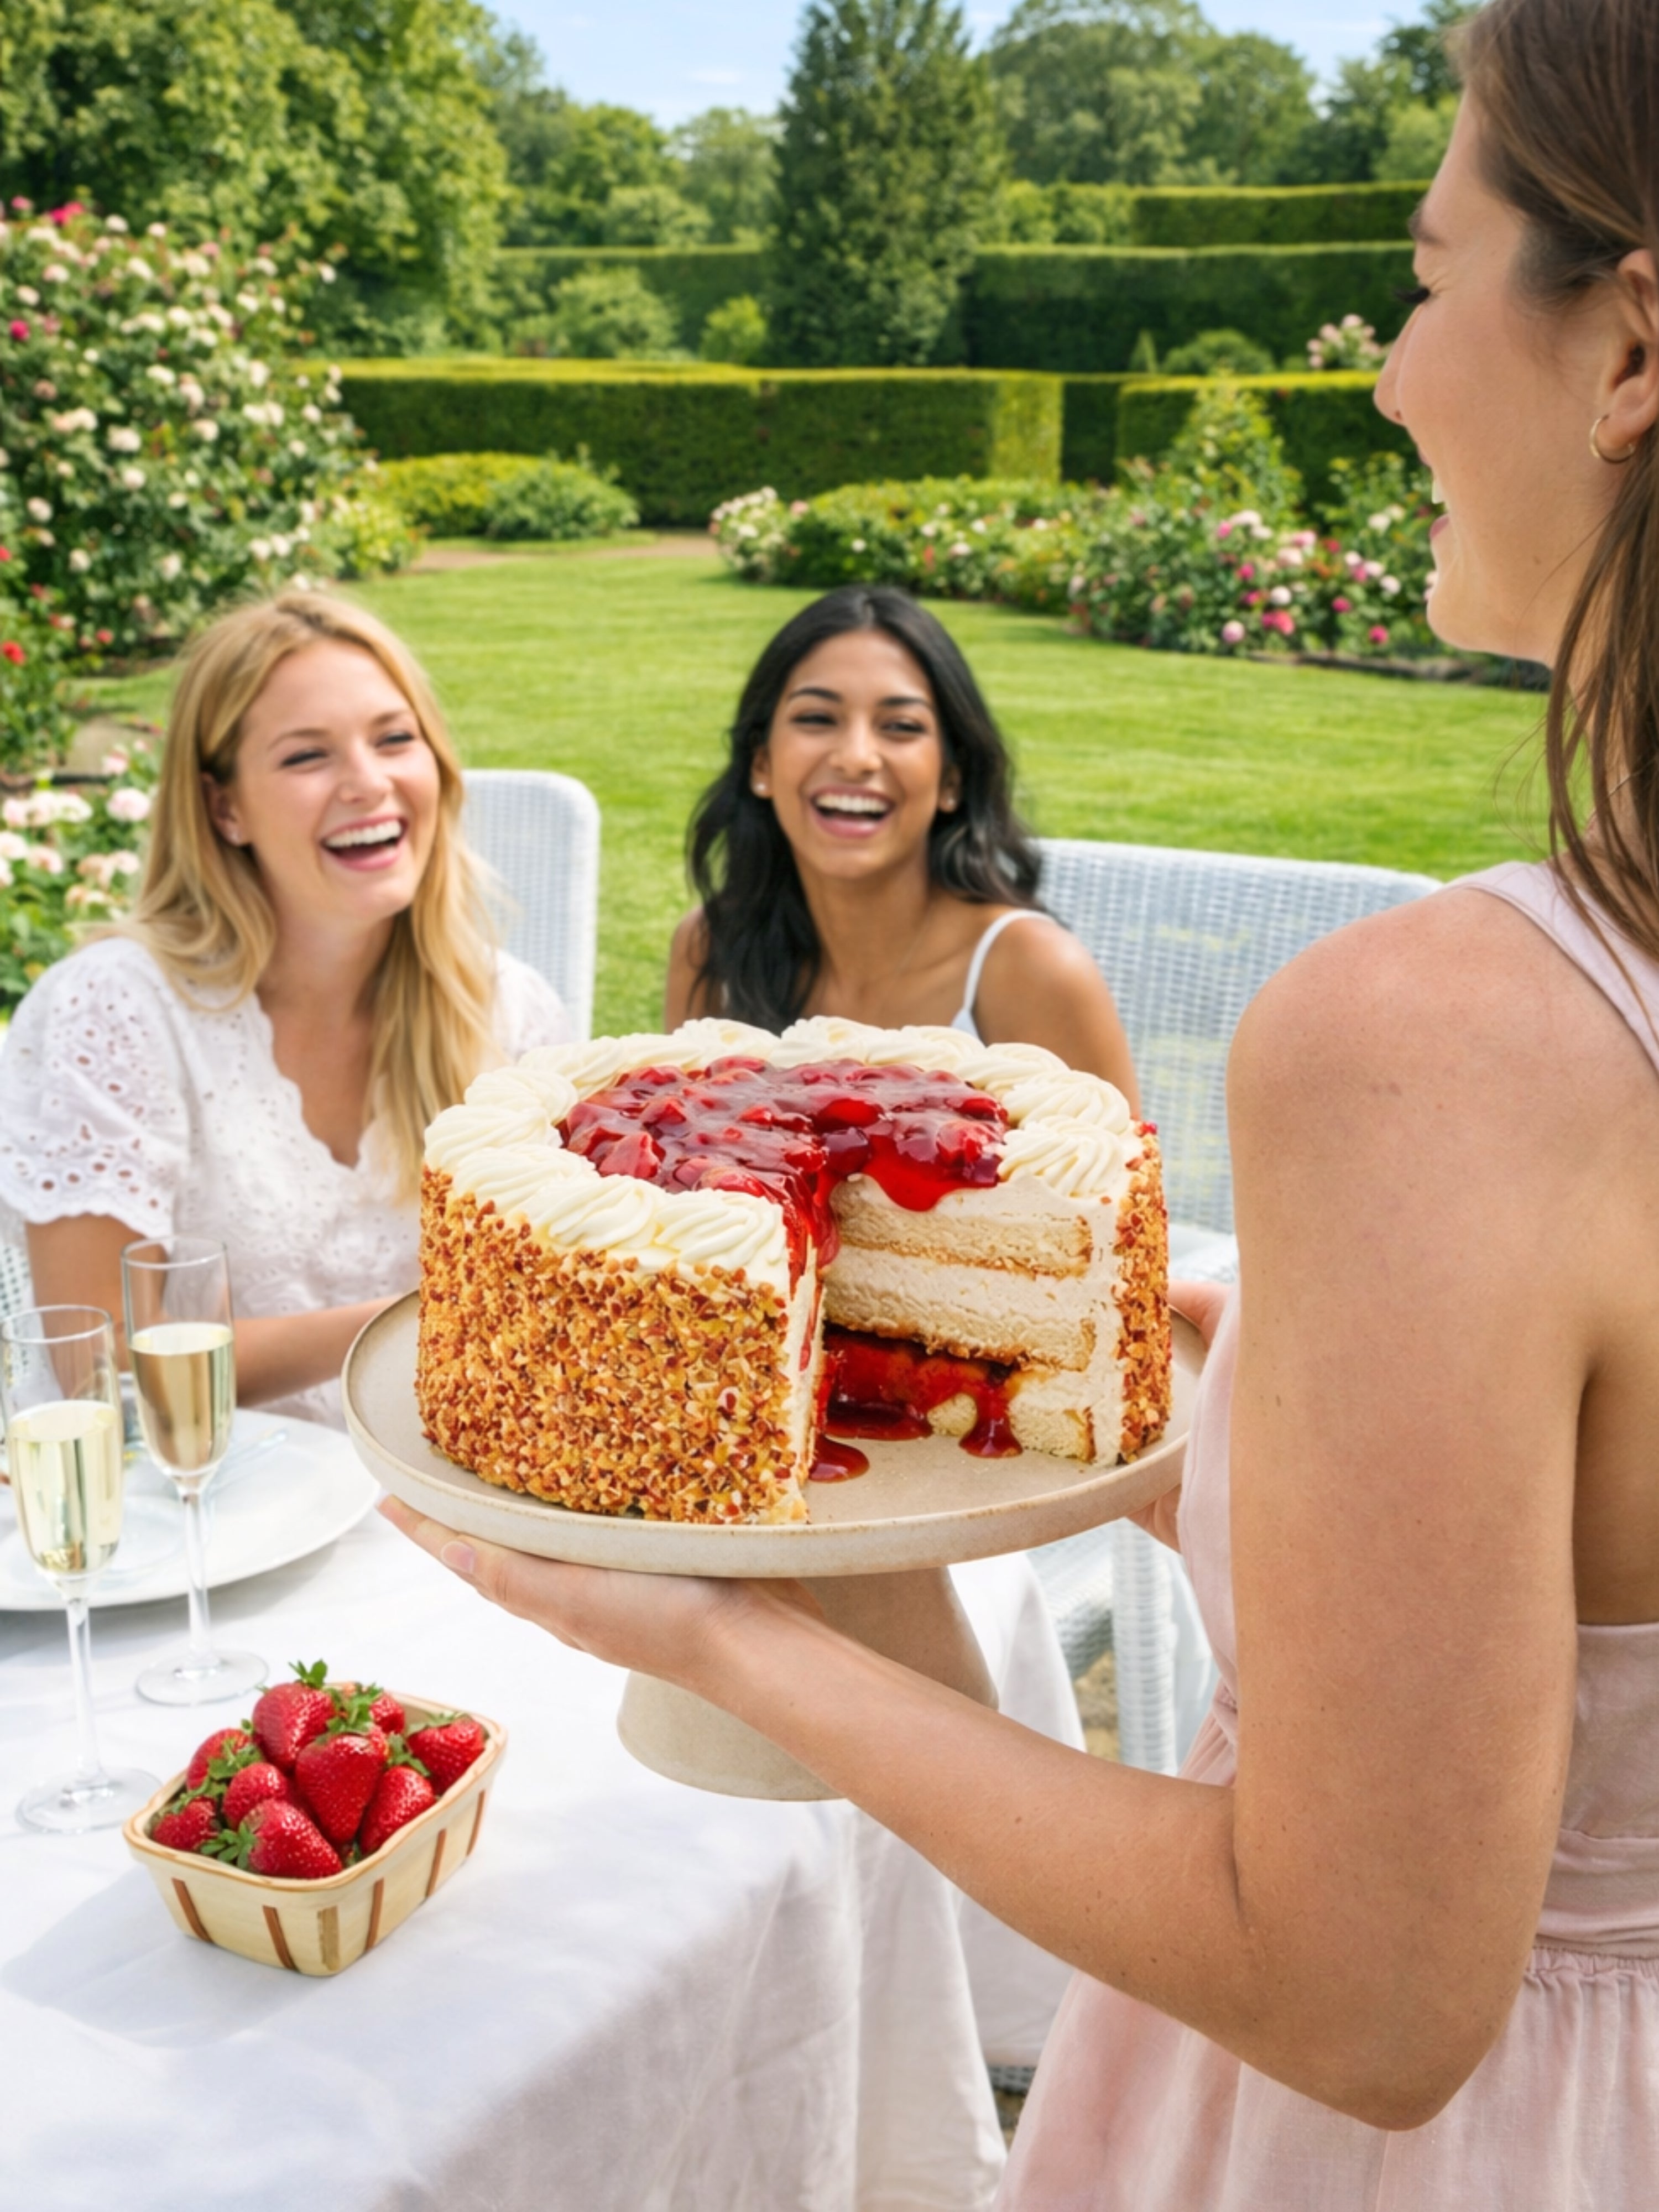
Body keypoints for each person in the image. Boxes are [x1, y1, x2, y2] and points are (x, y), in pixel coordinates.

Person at [387, 0, 1659, 2198]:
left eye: (1432, 278)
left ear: (1630, 346)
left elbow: (1360, 1997)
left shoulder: (1437, 1041)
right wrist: (1259, 1382)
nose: (1382, 376)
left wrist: (712, 1627)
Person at [0, 591, 570, 1424]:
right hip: (189, 1512)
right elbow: (101, 1362)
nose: (368, 783)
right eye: (308, 757)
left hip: (445, 1505)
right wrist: (420, 1325)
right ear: (225, 809)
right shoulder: (119, 1008)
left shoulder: (507, 1010)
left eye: (394, 739)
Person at [665, 585, 1139, 1098]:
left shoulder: (1033, 971)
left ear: (952, 779)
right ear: (762, 763)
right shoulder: (712, 948)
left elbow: (1127, 1177)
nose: (857, 757)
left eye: (901, 726)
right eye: (817, 719)